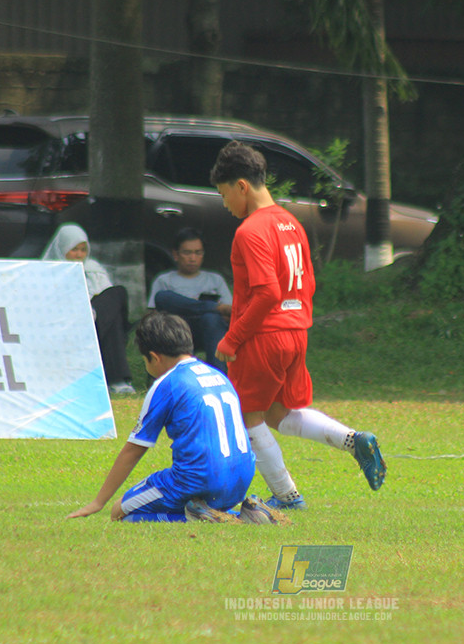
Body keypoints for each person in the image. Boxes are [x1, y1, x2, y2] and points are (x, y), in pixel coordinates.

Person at [209, 140, 386, 510]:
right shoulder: (291, 223)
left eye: (224, 194)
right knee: (278, 413)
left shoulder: (250, 231)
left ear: (242, 186)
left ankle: (287, 495)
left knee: (247, 414)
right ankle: (354, 440)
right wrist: (293, 322)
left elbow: (266, 292)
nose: (225, 205)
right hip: (295, 331)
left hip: (263, 336)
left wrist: (232, 338)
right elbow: (306, 284)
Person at [67, 311, 286, 524]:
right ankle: (239, 515)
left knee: (120, 513)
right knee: (204, 495)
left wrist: (98, 502)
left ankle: (202, 519)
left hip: (198, 481)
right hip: (241, 480)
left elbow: (135, 448)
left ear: (154, 357)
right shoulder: (218, 376)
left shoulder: (168, 383)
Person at [42, 223, 135, 394]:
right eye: (73, 249)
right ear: (62, 249)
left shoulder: (93, 269)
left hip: (96, 323)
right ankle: (117, 380)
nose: (79, 255)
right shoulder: (49, 272)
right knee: (113, 312)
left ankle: (117, 381)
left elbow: (108, 299)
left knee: (117, 295)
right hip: (70, 328)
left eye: (83, 250)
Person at [147, 228, 233, 373]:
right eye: (187, 253)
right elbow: (153, 316)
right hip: (176, 329)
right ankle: (212, 306)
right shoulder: (164, 280)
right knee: (163, 297)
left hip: (206, 329)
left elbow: (229, 313)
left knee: (211, 318)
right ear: (176, 254)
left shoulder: (214, 279)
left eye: (198, 253)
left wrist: (200, 308)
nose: (192, 258)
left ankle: (218, 374)